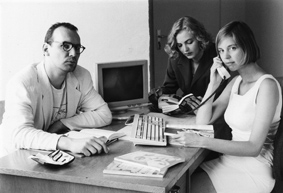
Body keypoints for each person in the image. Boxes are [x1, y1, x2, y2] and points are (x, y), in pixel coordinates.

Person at [171, 21, 282, 193]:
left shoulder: (267, 86)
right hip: (229, 161)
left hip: (253, 169)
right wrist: (213, 84)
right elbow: (202, 121)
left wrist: (201, 141)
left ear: (247, 46)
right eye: (221, 51)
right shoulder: (235, 82)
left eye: (232, 48)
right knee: (178, 185)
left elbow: (253, 147)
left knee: (185, 188)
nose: (226, 57)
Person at [0, 22, 112, 157]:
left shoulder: (81, 75)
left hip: (52, 155)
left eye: (77, 48)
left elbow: (104, 114)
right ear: (46, 49)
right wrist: (69, 143)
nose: (73, 53)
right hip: (15, 159)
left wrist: (63, 123)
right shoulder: (22, 82)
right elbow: (19, 134)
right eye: (66, 46)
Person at [149, 16, 226, 114]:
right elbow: (169, 88)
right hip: (188, 111)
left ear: (199, 38)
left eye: (189, 42)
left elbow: (221, 95)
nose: (185, 50)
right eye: (180, 45)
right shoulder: (176, 58)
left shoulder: (217, 55)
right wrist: (158, 94)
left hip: (214, 110)